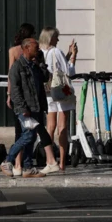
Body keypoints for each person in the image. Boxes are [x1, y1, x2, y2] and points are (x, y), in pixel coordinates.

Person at [2, 39, 53, 179]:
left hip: (36, 106)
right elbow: (15, 90)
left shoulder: (35, 65)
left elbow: (45, 78)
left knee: (31, 138)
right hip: (24, 108)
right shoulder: (17, 67)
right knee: (28, 135)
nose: (38, 50)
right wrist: (23, 107)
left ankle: (28, 167)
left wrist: (42, 62)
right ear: (26, 48)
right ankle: (7, 161)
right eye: (36, 48)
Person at [38, 27, 76, 173]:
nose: (58, 40)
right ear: (51, 38)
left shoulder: (42, 52)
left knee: (50, 126)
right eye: (56, 37)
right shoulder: (56, 51)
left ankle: (50, 160)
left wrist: (67, 53)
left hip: (48, 91)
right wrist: (73, 56)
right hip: (61, 91)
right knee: (62, 127)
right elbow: (68, 71)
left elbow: (55, 67)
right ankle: (62, 162)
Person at [7, 23, 35, 173]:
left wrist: (9, 94)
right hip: (26, 95)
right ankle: (19, 163)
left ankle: (18, 164)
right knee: (27, 130)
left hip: (17, 94)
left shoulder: (13, 50)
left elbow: (10, 75)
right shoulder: (28, 51)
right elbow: (13, 73)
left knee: (20, 130)